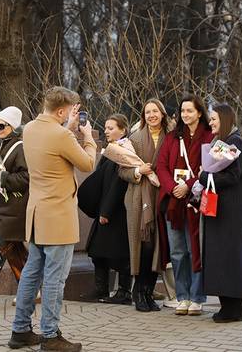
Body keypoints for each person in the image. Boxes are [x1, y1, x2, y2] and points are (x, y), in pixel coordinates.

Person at [9, 87, 96, 352]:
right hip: (58, 217)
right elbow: (87, 164)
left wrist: (66, 129)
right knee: (55, 279)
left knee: (31, 274)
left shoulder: (31, 128)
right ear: (61, 111)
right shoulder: (61, 135)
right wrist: (89, 138)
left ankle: (20, 330)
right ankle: (50, 335)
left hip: (37, 216)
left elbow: (53, 147)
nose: (72, 115)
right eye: (70, 111)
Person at [156, 94, 214, 316]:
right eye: (182, 111)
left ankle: (197, 297)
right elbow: (161, 166)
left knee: (195, 249)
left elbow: (208, 168)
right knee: (178, 252)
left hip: (196, 201)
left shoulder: (209, 137)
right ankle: (182, 297)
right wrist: (173, 188)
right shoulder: (172, 137)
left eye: (190, 110)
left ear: (199, 112)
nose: (185, 114)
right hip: (174, 202)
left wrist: (188, 186)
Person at [197, 103, 242, 323]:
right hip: (221, 208)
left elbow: (232, 176)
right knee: (222, 257)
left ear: (225, 119)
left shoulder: (234, 141)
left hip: (230, 210)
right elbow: (218, 168)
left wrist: (204, 177)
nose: (210, 122)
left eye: (213, 119)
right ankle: (229, 307)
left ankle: (235, 309)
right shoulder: (223, 142)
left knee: (229, 258)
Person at [118, 99, 170, 312]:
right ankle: (139, 292)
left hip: (164, 195)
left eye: (155, 111)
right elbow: (122, 170)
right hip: (140, 198)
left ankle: (149, 292)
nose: (151, 115)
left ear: (162, 113)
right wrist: (140, 172)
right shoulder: (135, 138)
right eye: (147, 112)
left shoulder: (172, 137)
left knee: (159, 246)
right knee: (144, 245)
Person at [78, 114, 131, 304]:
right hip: (105, 208)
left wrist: (106, 211)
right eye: (106, 128)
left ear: (123, 130)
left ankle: (124, 292)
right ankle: (101, 289)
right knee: (97, 250)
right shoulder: (112, 150)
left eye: (111, 128)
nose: (107, 131)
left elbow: (118, 183)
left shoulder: (124, 150)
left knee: (120, 253)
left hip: (117, 211)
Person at [0, 106, 30, 303]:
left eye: (2, 125)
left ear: (12, 126)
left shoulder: (20, 147)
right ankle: (30, 290)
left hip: (13, 210)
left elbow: (26, 177)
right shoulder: (6, 144)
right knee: (14, 252)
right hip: (7, 208)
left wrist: (3, 177)